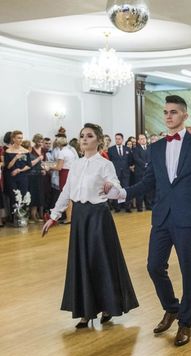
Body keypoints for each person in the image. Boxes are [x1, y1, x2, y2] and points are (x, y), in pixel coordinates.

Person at [105, 95, 191, 347]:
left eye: (173, 112)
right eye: (165, 112)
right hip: (162, 216)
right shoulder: (156, 147)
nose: (168, 116)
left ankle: (185, 323)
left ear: (184, 115)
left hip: (188, 216)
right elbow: (148, 181)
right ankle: (172, 308)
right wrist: (122, 193)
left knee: (189, 273)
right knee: (154, 266)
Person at [42, 123, 139, 328]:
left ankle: (107, 306)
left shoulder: (105, 164)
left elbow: (117, 189)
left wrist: (111, 187)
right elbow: (67, 191)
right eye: (82, 136)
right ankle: (85, 311)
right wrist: (54, 216)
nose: (84, 139)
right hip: (79, 217)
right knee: (82, 262)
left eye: (89, 136)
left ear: (99, 140)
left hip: (98, 217)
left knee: (100, 261)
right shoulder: (76, 164)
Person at [4, 131, 32, 216]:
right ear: (13, 139)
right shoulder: (8, 151)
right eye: (19, 138)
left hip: (22, 176)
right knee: (14, 196)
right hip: (11, 177)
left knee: (23, 195)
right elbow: (8, 166)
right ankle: (14, 217)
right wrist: (15, 158)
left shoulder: (25, 151)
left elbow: (29, 165)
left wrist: (19, 170)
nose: (21, 140)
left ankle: (22, 217)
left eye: (21, 138)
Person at [108, 133, 133, 213]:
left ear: (122, 139)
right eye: (116, 139)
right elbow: (110, 161)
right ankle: (117, 207)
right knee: (116, 189)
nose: (117, 140)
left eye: (119, 139)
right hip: (115, 173)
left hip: (126, 173)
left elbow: (130, 160)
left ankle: (127, 206)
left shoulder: (127, 149)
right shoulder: (111, 149)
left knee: (126, 189)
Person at [132, 134, 153, 211]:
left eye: (144, 138)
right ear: (138, 141)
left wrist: (149, 164)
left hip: (149, 172)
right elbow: (136, 159)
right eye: (141, 139)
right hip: (139, 172)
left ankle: (149, 205)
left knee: (149, 190)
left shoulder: (150, 147)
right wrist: (145, 164)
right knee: (140, 189)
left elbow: (152, 157)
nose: (143, 140)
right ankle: (139, 206)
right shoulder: (135, 149)